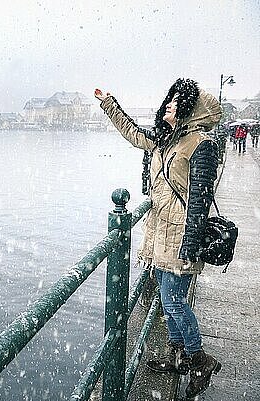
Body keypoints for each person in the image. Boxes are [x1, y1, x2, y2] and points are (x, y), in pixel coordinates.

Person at [94, 78, 222, 400]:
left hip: (181, 236)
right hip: (159, 233)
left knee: (173, 301)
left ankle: (199, 359)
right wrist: (110, 103)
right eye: (169, 99)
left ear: (191, 108)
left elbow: (200, 198)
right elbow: (133, 133)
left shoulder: (201, 145)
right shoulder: (166, 141)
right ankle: (179, 357)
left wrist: (190, 243)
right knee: (168, 300)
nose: (169, 105)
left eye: (178, 101)